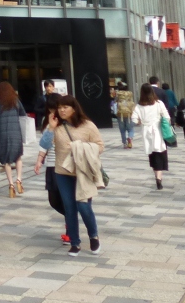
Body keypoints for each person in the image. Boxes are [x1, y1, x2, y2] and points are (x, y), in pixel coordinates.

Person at [51, 96, 104, 256]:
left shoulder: (88, 126)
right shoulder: (57, 126)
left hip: (83, 172)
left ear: (74, 109)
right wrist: (50, 128)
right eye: (60, 107)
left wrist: (79, 147)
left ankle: (93, 236)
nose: (62, 110)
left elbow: (100, 146)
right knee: (69, 208)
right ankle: (75, 242)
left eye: (65, 107)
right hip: (62, 172)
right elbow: (45, 145)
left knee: (83, 206)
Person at [32, 95, 68, 244]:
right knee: (53, 201)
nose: (54, 112)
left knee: (65, 199)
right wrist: (39, 160)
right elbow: (44, 144)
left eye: (57, 109)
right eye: (52, 109)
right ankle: (71, 217)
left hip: (65, 166)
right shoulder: (49, 123)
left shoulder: (69, 123)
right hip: (51, 166)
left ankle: (70, 228)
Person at [0, 82, 27, 196]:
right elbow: (23, 114)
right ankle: (19, 179)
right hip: (15, 133)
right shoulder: (15, 101)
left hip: (1, 135)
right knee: (18, 157)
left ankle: (11, 185)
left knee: (6, 161)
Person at [132, 83, 172, 189]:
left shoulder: (139, 106)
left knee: (152, 155)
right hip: (158, 131)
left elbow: (134, 119)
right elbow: (167, 117)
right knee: (160, 154)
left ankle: (156, 177)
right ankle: (159, 178)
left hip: (146, 132)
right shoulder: (158, 103)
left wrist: (141, 122)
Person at [114, 81, 136, 149]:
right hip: (129, 114)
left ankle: (124, 143)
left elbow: (115, 102)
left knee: (122, 130)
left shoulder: (118, 94)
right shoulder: (130, 94)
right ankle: (130, 137)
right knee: (131, 129)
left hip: (120, 114)